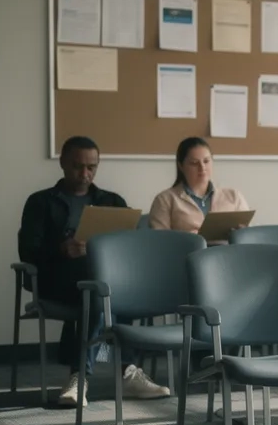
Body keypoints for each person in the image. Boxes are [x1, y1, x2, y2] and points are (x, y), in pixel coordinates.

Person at [17, 136, 167, 406]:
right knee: (104, 289)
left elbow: (131, 249)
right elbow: (28, 251)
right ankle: (126, 372)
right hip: (57, 280)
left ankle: (81, 378)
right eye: (77, 166)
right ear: (62, 163)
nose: (85, 174)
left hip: (105, 283)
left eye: (92, 167)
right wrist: (62, 250)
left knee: (104, 289)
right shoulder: (41, 202)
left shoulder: (112, 201)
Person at [148, 137, 250, 233]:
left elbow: (248, 236)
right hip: (187, 250)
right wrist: (187, 239)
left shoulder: (234, 196)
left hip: (225, 250)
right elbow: (159, 242)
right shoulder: (165, 199)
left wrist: (241, 233)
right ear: (181, 166)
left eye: (206, 161)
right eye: (194, 163)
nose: (202, 167)